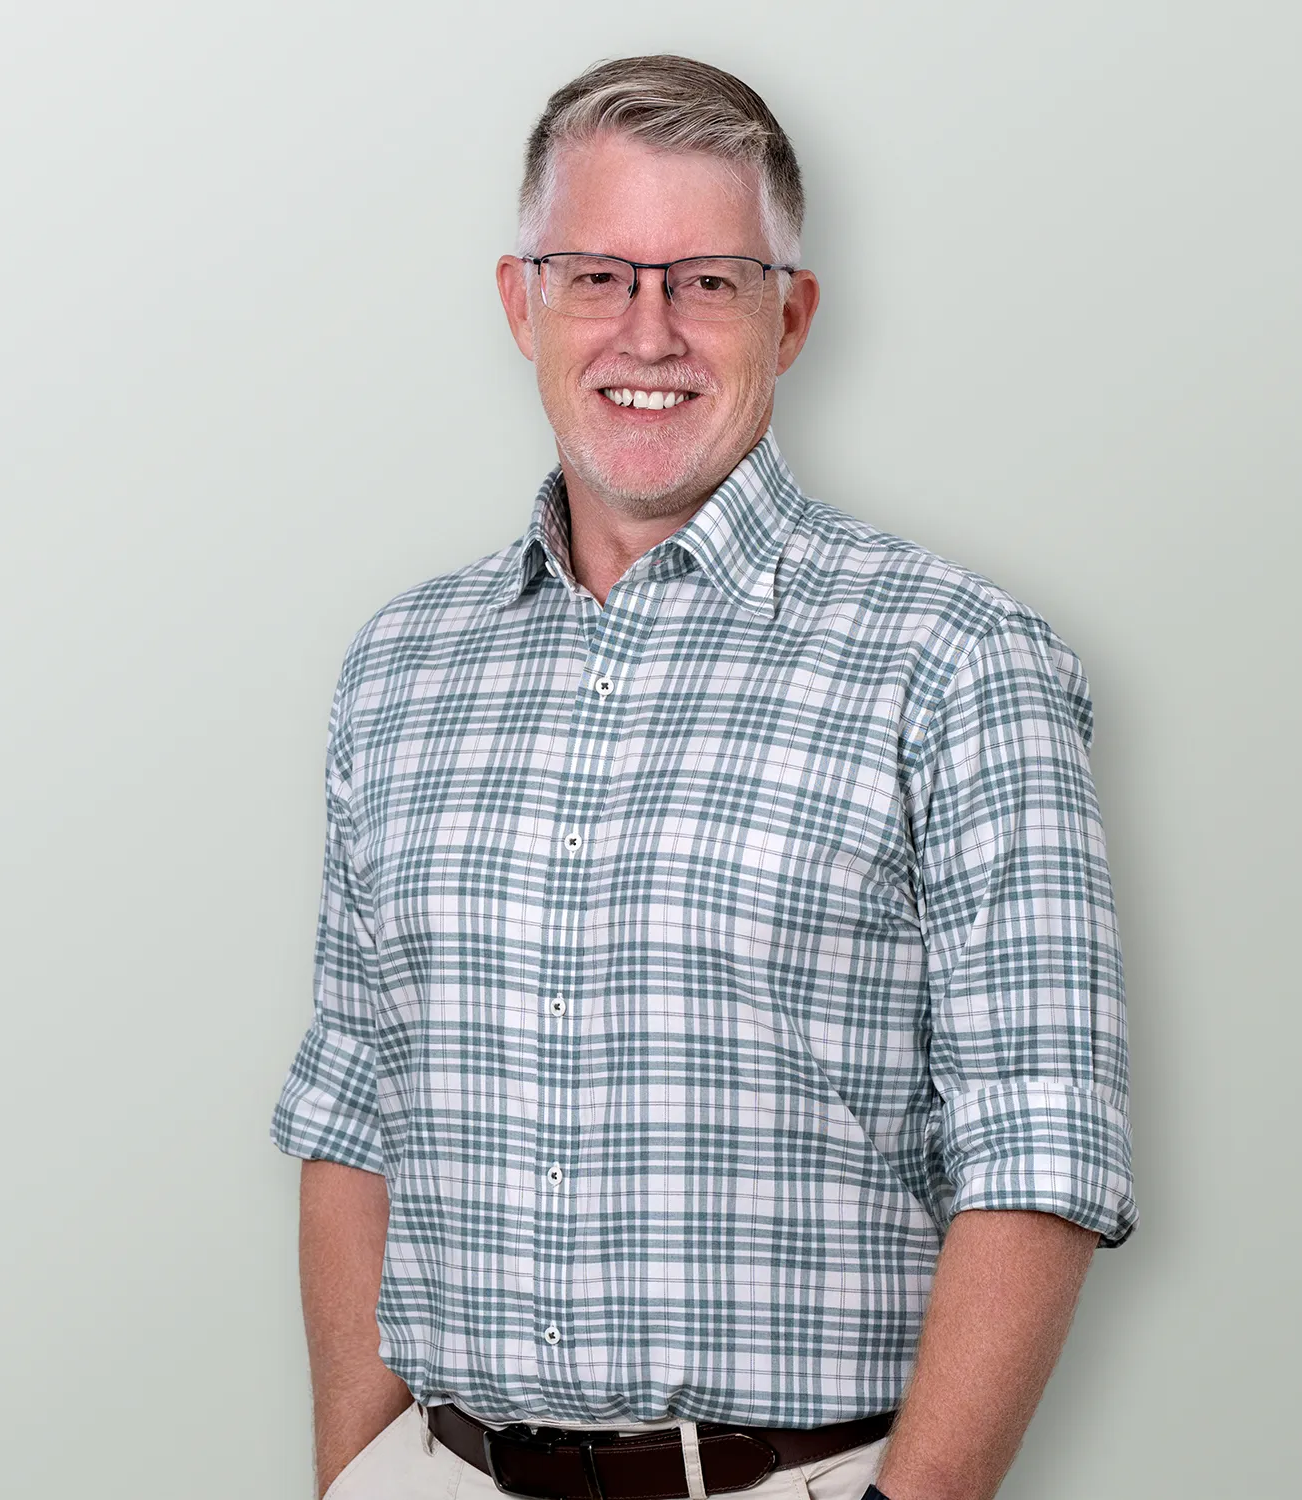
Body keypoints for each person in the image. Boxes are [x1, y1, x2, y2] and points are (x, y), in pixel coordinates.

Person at [271, 53, 1136, 1500]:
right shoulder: (399, 668)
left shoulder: (956, 659)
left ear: (790, 316)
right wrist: (356, 1476)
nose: (648, 332)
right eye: (598, 276)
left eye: (708, 283)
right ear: (522, 304)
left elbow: (1040, 1148)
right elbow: (354, 1105)